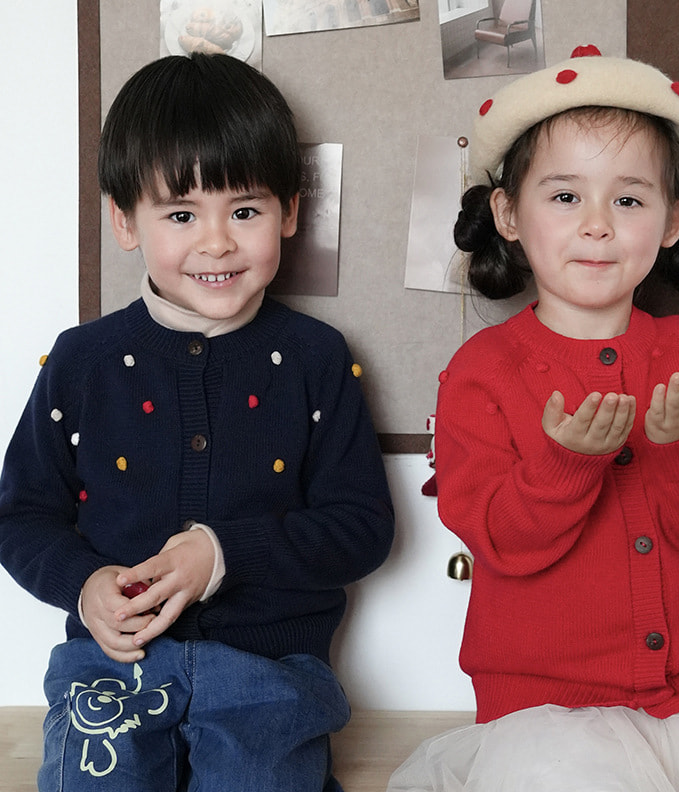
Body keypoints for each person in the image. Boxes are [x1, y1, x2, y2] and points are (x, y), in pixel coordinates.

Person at [388, 46, 679, 791]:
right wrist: (567, 463)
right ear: (508, 214)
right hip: (547, 717)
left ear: (673, 220)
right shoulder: (482, 371)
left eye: (630, 200)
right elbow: (497, 537)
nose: (598, 226)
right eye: (565, 196)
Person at [0, 52, 394, 791]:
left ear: (290, 213)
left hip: (271, 672)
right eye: (181, 215)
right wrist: (85, 584)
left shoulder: (316, 357)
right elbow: (20, 516)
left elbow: (362, 527)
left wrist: (223, 553)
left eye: (245, 211)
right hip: (111, 669)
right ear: (124, 220)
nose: (217, 242)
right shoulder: (80, 361)